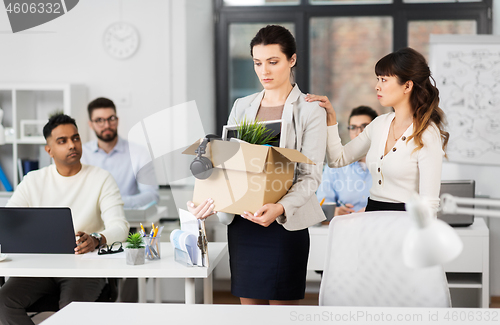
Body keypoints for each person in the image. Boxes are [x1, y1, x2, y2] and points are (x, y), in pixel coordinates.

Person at [188, 25, 327, 305]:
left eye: (273, 62)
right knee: (250, 316)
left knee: (281, 316)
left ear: (292, 60)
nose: (264, 70)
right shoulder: (242, 106)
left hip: (284, 223)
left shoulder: (310, 110)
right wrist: (206, 197)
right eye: (258, 62)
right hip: (244, 223)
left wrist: (279, 207)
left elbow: (310, 176)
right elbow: (229, 164)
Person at [0, 114, 129, 325]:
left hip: (83, 268)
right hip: (38, 267)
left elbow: (120, 227)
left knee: (71, 309)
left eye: (75, 138)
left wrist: (97, 238)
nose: (72, 145)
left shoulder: (101, 178)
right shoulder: (33, 180)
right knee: (3, 301)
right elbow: (9, 221)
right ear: (48, 150)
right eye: (63, 141)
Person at [306, 47, 449, 213]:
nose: (377, 86)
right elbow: (337, 159)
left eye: (384, 80)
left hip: (406, 222)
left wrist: (420, 238)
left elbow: (429, 204)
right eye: (378, 79)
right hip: (373, 218)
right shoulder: (379, 124)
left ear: (407, 86)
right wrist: (330, 116)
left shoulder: (427, 134)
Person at [81, 97, 159, 209]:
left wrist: (115, 203)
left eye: (111, 119)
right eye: (99, 120)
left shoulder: (139, 153)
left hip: (130, 221)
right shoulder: (82, 154)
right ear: (91, 124)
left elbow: (152, 195)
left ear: (117, 120)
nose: (107, 125)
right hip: (90, 222)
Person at [316, 106, 378, 215]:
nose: (359, 133)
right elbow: (322, 205)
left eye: (365, 126)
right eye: (353, 127)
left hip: (380, 227)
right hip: (346, 227)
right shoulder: (335, 166)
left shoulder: (388, 163)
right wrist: (335, 212)